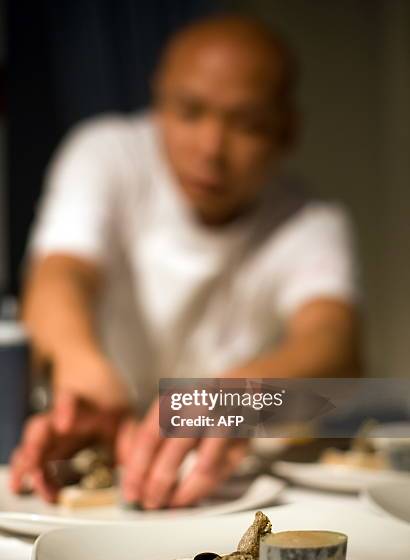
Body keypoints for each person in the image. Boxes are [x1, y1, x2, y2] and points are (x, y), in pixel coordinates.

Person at [9, 15, 360, 509]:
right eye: (190, 111)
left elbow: (335, 344)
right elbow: (60, 273)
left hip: (222, 480)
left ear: (288, 130)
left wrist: (240, 395)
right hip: (95, 447)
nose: (211, 149)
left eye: (247, 124)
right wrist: (82, 369)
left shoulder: (311, 222)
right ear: (158, 100)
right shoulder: (105, 153)